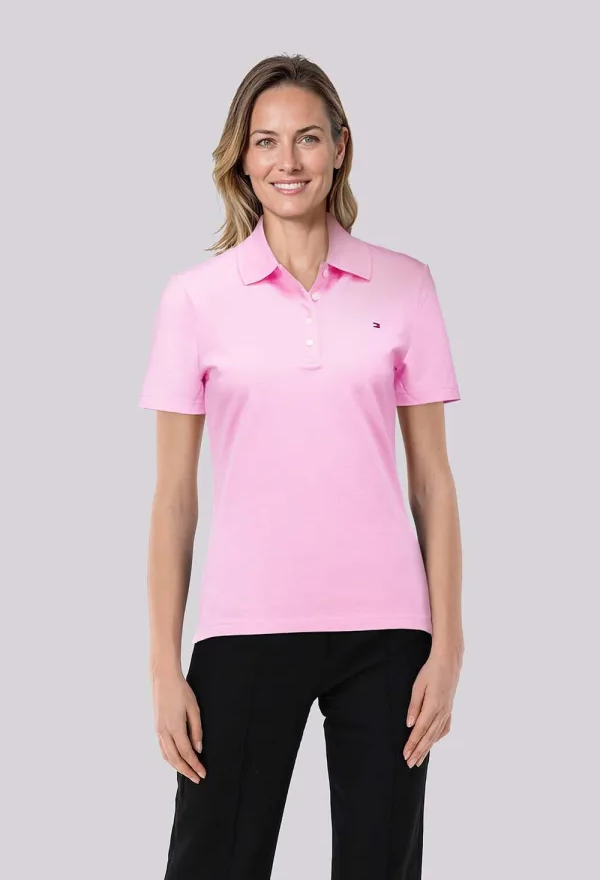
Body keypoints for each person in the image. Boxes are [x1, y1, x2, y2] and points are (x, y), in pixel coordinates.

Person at [139, 53, 464, 880]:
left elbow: (433, 482)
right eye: (267, 141)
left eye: (308, 138)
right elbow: (174, 500)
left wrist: (448, 646)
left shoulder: (406, 286)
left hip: (388, 633)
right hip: (244, 626)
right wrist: (163, 666)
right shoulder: (194, 299)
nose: (288, 161)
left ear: (340, 148)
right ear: (242, 158)